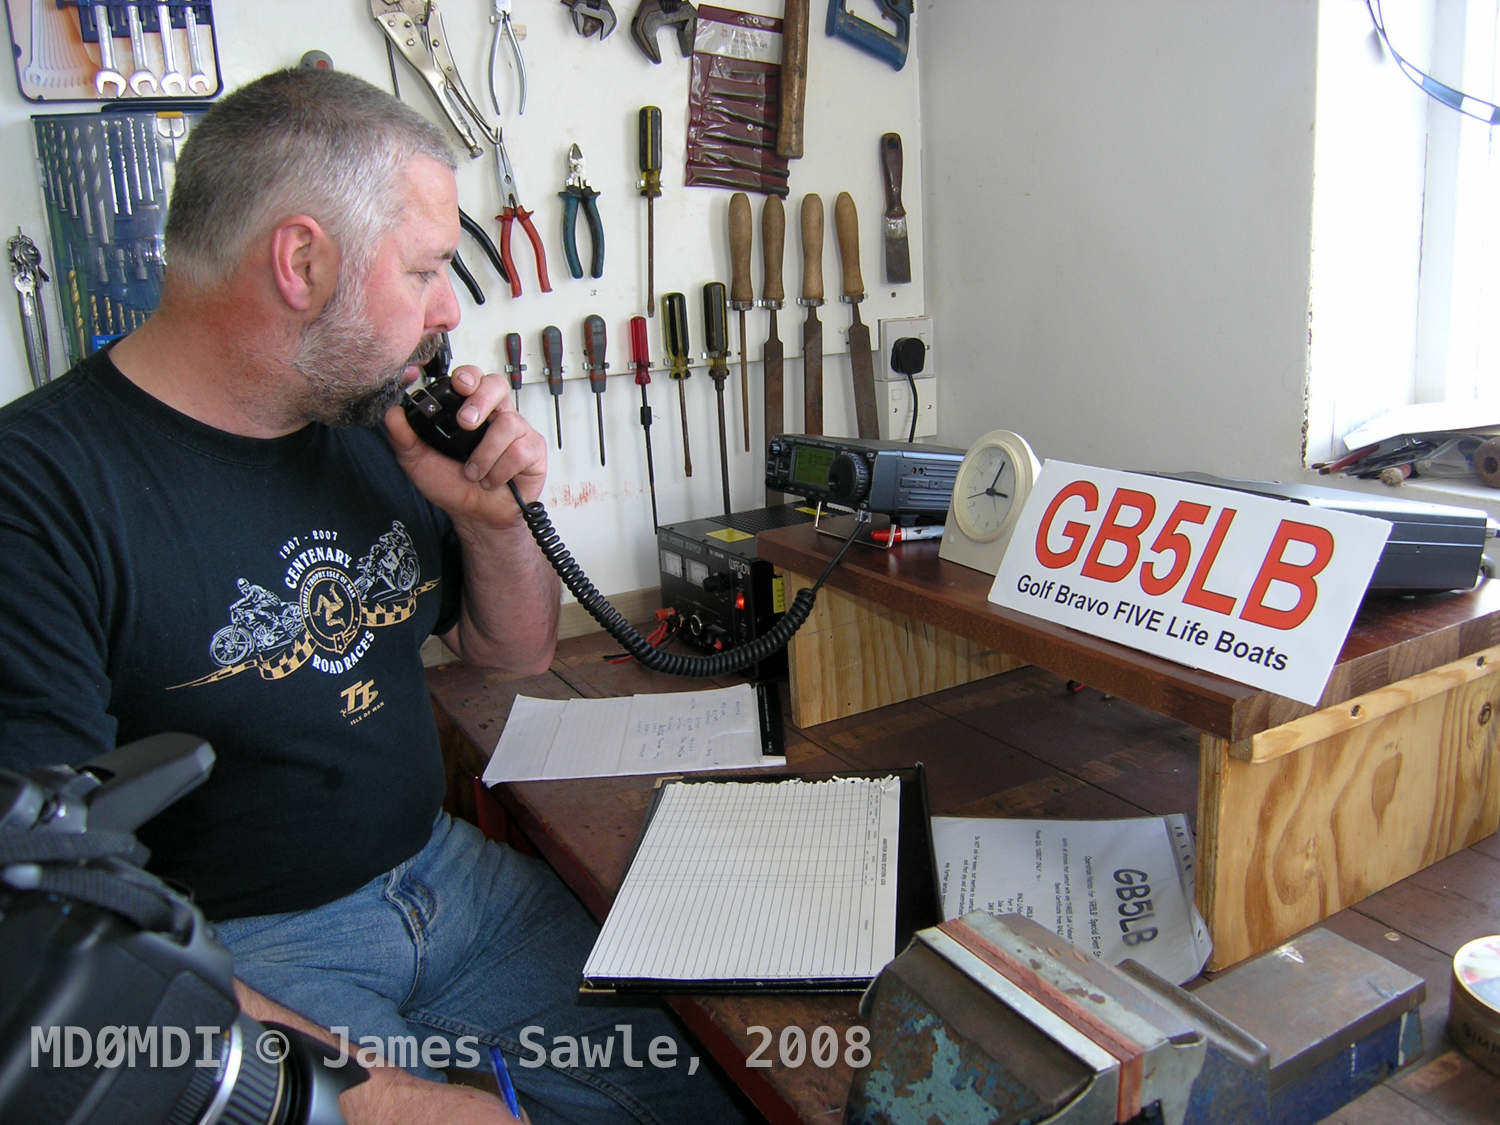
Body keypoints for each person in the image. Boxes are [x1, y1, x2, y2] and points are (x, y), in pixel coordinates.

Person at [0, 69, 749, 1125]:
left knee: (720, 1084)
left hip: (447, 878)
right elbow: (54, 920)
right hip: (240, 947)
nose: (452, 311)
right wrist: (387, 1102)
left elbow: (514, 653)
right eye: (429, 270)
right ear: (301, 260)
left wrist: (495, 523)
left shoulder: (365, 420)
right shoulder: (35, 494)